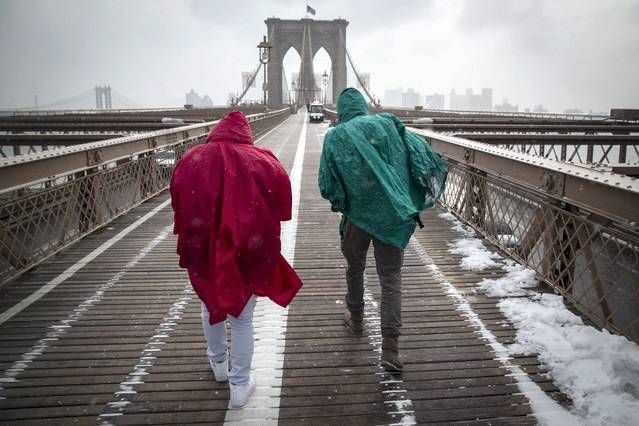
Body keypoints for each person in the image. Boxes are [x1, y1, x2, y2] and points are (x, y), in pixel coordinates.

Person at [170, 111, 302, 407]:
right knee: (242, 318)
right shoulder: (264, 160)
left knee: (209, 306)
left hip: (202, 246)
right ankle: (240, 384)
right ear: (245, 132)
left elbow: (178, 201)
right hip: (247, 247)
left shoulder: (191, 159)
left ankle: (218, 364)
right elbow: (283, 207)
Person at [318, 88, 447, 372]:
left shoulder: (335, 136)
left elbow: (327, 185)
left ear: (341, 111)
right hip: (393, 215)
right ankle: (390, 349)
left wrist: (347, 201)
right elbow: (419, 154)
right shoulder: (388, 123)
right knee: (390, 277)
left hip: (357, 218)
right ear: (364, 106)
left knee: (355, 268)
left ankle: (356, 319)